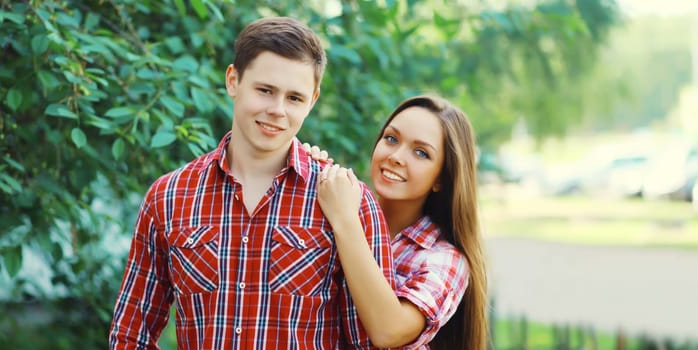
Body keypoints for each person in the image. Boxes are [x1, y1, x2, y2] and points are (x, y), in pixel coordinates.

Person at [108, 17, 394, 349]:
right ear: (233, 80)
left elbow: (372, 342)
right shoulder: (169, 197)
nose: (277, 110)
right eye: (265, 90)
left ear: (313, 100)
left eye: (294, 98)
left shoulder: (348, 203)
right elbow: (130, 335)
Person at [313, 95, 488, 349]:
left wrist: (344, 220)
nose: (396, 156)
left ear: (442, 178)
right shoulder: (340, 207)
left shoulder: (445, 259)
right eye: (391, 138)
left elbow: (389, 331)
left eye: (421, 153)